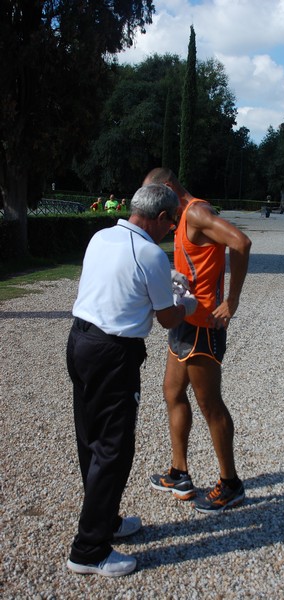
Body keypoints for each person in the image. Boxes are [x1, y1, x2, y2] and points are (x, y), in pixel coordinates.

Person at [66, 184, 197, 577]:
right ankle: (89, 550)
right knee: (114, 448)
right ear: (159, 218)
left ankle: (104, 521)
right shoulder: (150, 254)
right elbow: (167, 318)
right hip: (113, 354)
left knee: (90, 438)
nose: (173, 228)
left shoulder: (101, 236)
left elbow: (121, 286)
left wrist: (163, 280)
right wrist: (186, 302)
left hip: (80, 341)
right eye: (172, 222)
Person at [143, 167, 252, 514]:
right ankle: (179, 473)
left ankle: (231, 483)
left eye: (156, 197)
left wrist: (231, 301)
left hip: (204, 326)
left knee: (210, 404)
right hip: (183, 320)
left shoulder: (198, 213)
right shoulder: (178, 217)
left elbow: (241, 242)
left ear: (170, 188)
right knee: (172, 393)